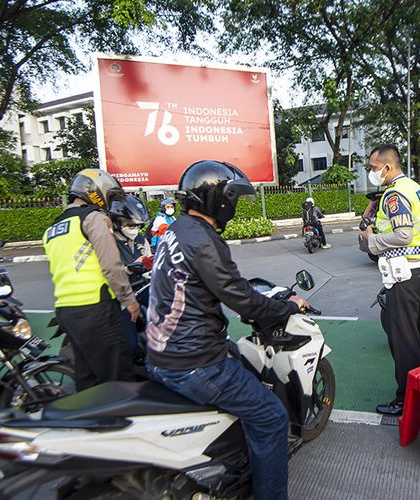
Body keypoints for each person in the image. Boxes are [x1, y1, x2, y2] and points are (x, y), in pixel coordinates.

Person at [145, 160, 308, 500]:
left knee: (239, 359)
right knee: (272, 417)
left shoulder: (175, 232)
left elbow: (217, 286)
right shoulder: (205, 241)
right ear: (217, 198)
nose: (233, 205)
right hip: (195, 363)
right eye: (232, 198)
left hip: (163, 354)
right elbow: (244, 302)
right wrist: (288, 306)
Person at [42, 169, 140, 391]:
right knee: (119, 376)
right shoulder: (94, 218)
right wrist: (129, 300)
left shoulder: (53, 228)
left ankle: (91, 420)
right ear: (97, 192)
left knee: (87, 377)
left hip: (66, 310)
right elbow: (111, 265)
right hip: (97, 307)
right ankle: (119, 421)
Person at [358, 144, 420, 416]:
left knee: (403, 339)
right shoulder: (414, 188)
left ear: (387, 167)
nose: (371, 172)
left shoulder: (395, 194)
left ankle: (407, 401)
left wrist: (372, 240)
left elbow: (402, 234)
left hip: (406, 274)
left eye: (373, 167)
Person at [109, 195, 152, 358]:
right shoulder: (109, 242)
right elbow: (109, 272)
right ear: (117, 222)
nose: (134, 228)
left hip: (143, 288)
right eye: (130, 224)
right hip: (122, 297)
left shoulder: (141, 239)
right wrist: (128, 269)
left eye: (138, 225)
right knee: (130, 344)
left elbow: (150, 258)